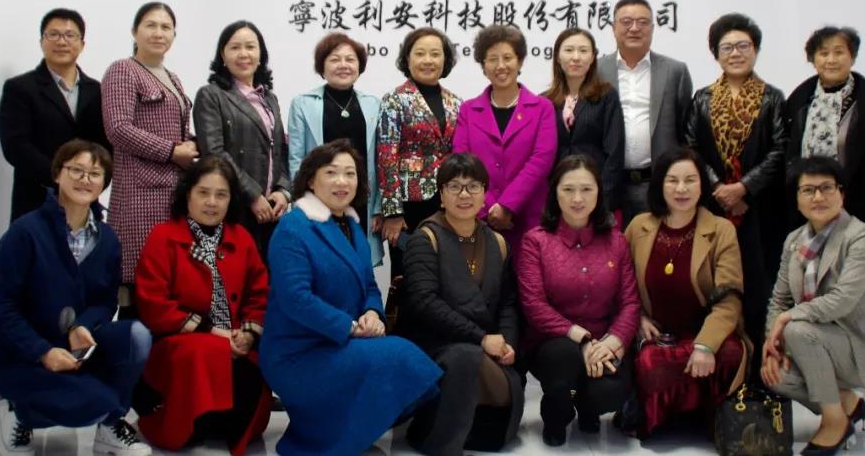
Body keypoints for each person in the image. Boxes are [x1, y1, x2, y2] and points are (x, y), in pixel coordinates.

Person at [260, 139, 442, 456]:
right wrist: (349, 326)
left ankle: (347, 433)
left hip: (337, 342)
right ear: (311, 180)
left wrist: (373, 313)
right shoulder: (293, 227)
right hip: (299, 350)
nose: (342, 181)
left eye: (350, 173)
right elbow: (296, 299)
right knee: (399, 356)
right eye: (331, 173)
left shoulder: (351, 225)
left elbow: (369, 285)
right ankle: (327, 440)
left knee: (407, 359)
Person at [0, 140, 152, 456]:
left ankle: (108, 428)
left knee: (137, 336)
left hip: (75, 350)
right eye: (76, 170)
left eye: (95, 174)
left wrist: (82, 326)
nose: (85, 179)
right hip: (22, 353)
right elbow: (0, 309)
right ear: (57, 174)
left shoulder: (108, 240)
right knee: (91, 405)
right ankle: (17, 414)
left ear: (104, 183)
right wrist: (42, 351)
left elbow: (105, 302)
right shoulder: (25, 232)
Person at [762, 156, 865, 455]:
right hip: (816, 340)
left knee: (797, 330)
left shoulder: (862, 236)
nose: (818, 197)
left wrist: (786, 321)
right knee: (773, 374)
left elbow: (842, 299)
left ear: (841, 193)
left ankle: (834, 422)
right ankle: (849, 403)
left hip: (858, 344)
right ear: (797, 199)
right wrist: (773, 343)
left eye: (826, 188)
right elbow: (779, 299)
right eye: (808, 190)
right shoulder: (794, 240)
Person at [135, 156, 272, 456]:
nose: (212, 202)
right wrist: (212, 332)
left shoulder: (242, 238)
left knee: (256, 365)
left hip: (235, 341)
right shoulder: (163, 237)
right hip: (179, 341)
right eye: (203, 193)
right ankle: (190, 424)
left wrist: (248, 334)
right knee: (203, 353)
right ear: (188, 194)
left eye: (221, 194)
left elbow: (259, 294)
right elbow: (152, 303)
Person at [400, 153, 524, 455]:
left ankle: (471, 425)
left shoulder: (497, 242)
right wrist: (481, 339)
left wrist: (506, 342)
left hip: (487, 344)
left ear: (484, 194)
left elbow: (508, 302)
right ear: (441, 196)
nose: (464, 195)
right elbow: (424, 303)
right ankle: (439, 441)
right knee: (465, 359)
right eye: (454, 187)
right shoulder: (424, 238)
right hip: (437, 344)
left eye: (473, 186)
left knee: (505, 384)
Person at [624, 147, 749, 439]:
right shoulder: (638, 227)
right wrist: (638, 317)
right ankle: (665, 419)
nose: (681, 189)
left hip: (705, 331)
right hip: (658, 334)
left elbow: (729, 299)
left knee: (729, 354)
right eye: (672, 180)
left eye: (690, 180)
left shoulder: (721, 230)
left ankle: (707, 416)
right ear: (660, 185)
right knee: (651, 364)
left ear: (702, 185)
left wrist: (705, 345)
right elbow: (623, 286)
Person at [517, 155, 641, 446]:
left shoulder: (616, 241)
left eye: (586, 189)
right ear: (555, 193)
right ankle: (557, 413)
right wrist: (581, 339)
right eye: (568, 189)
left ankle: (587, 406)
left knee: (609, 392)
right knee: (565, 361)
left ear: (599, 192)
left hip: (602, 340)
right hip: (552, 343)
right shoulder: (536, 241)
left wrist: (611, 343)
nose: (577, 199)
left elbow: (630, 303)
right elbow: (534, 305)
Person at [684, 13, 787, 364]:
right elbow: (691, 148)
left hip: (759, 209)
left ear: (755, 50)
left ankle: (761, 368)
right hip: (714, 207)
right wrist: (719, 188)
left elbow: (780, 150)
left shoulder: (772, 98)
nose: (735, 53)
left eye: (743, 46)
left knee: (759, 286)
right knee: (715, 284)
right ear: (716, 54)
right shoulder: (702, 98)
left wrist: (744, 188)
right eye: (726, 47)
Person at [784, 26, 865, 276]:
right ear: (813, 60)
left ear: (852, 57)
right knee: (810, 276)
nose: (831, 60)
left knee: (857, 278)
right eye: (823, 53)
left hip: (860, 205)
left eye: (839, 52)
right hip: (808, 209)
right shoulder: (798, 102)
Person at [102, 1, 196, 284]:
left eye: (166, 27)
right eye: (150, 25)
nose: (158, 33)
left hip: (174, 191)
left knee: (170, 277)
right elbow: (118, 129)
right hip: (139, 193)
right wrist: (171, 151)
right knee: (139, 276)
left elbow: (177, 131)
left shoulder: (172, 78)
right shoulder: (123, 70)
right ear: (135, 31)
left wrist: (196, 144)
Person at [0, 8, 109, 220]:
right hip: (35, 201)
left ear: (82, 44)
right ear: (42, 41)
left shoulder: (97, 90)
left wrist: (91, 181)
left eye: (70, 35)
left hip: (85, 201)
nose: (61, 41)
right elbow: (16, 147)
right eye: (54, 34)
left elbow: (105, 146)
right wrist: (63, 177)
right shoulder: (20, 88)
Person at [454, 24, 557, 251]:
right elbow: (462, 162)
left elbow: (541, 160)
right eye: (492, 59)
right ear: (483, 65)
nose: (501, 66)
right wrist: (488, 207)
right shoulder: (468, 110)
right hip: (479, 220)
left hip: (529, 218)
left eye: (508, 58)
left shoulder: (542, 108)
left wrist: (507, 205)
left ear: (520, 61)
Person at [193, 20, 291, 259]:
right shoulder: (211, 95)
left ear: (261, 54)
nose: (244, 54)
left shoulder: (270, 98)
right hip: (235, 206)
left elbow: (280, 149)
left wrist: (283, 190)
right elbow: (215, 153)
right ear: (223, 55)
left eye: (250, 47)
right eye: (235, 47)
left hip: (272, 209)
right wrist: (253, 196)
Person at [597, 0, 693, 223]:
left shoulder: (675, 71)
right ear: (613, 28)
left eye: (642, 22)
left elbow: (685, 132)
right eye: (626, 22)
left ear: (652, 28)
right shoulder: (596, 70)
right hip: (608, 184)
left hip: (658, 184)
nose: (634, 28)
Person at [288, 32, 382, 265]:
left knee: (359, 263)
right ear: (322, 66)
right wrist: (302, 202)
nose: (343, 65)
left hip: (361, 198)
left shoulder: (373, 104)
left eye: (350, 59)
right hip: (319, 197)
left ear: (359, 66)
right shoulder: (302, 103)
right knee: (321, 262)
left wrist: (378, 207)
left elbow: (381, 160)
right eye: (334, 59)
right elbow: (296, 158)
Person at [377, 27, 462, 273]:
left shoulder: (456, 102)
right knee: (409, 272)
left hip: (446, 200)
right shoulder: (394, 99)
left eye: (435, 54)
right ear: (407, 59)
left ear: (445, 59)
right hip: (409, 202)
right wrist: (392, 212)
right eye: (420, 53)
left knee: (444, 272)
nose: (428, 60)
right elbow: (386, 155)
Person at [543, 27, 625, 210]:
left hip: (596, 194)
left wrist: (603, 201)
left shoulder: (606, 95)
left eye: (583, 50)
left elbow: (614, 153)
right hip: (556, 197)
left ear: (593, 57)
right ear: (557, 57)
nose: (576, 57)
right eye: (569, 50)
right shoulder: (545, 101)